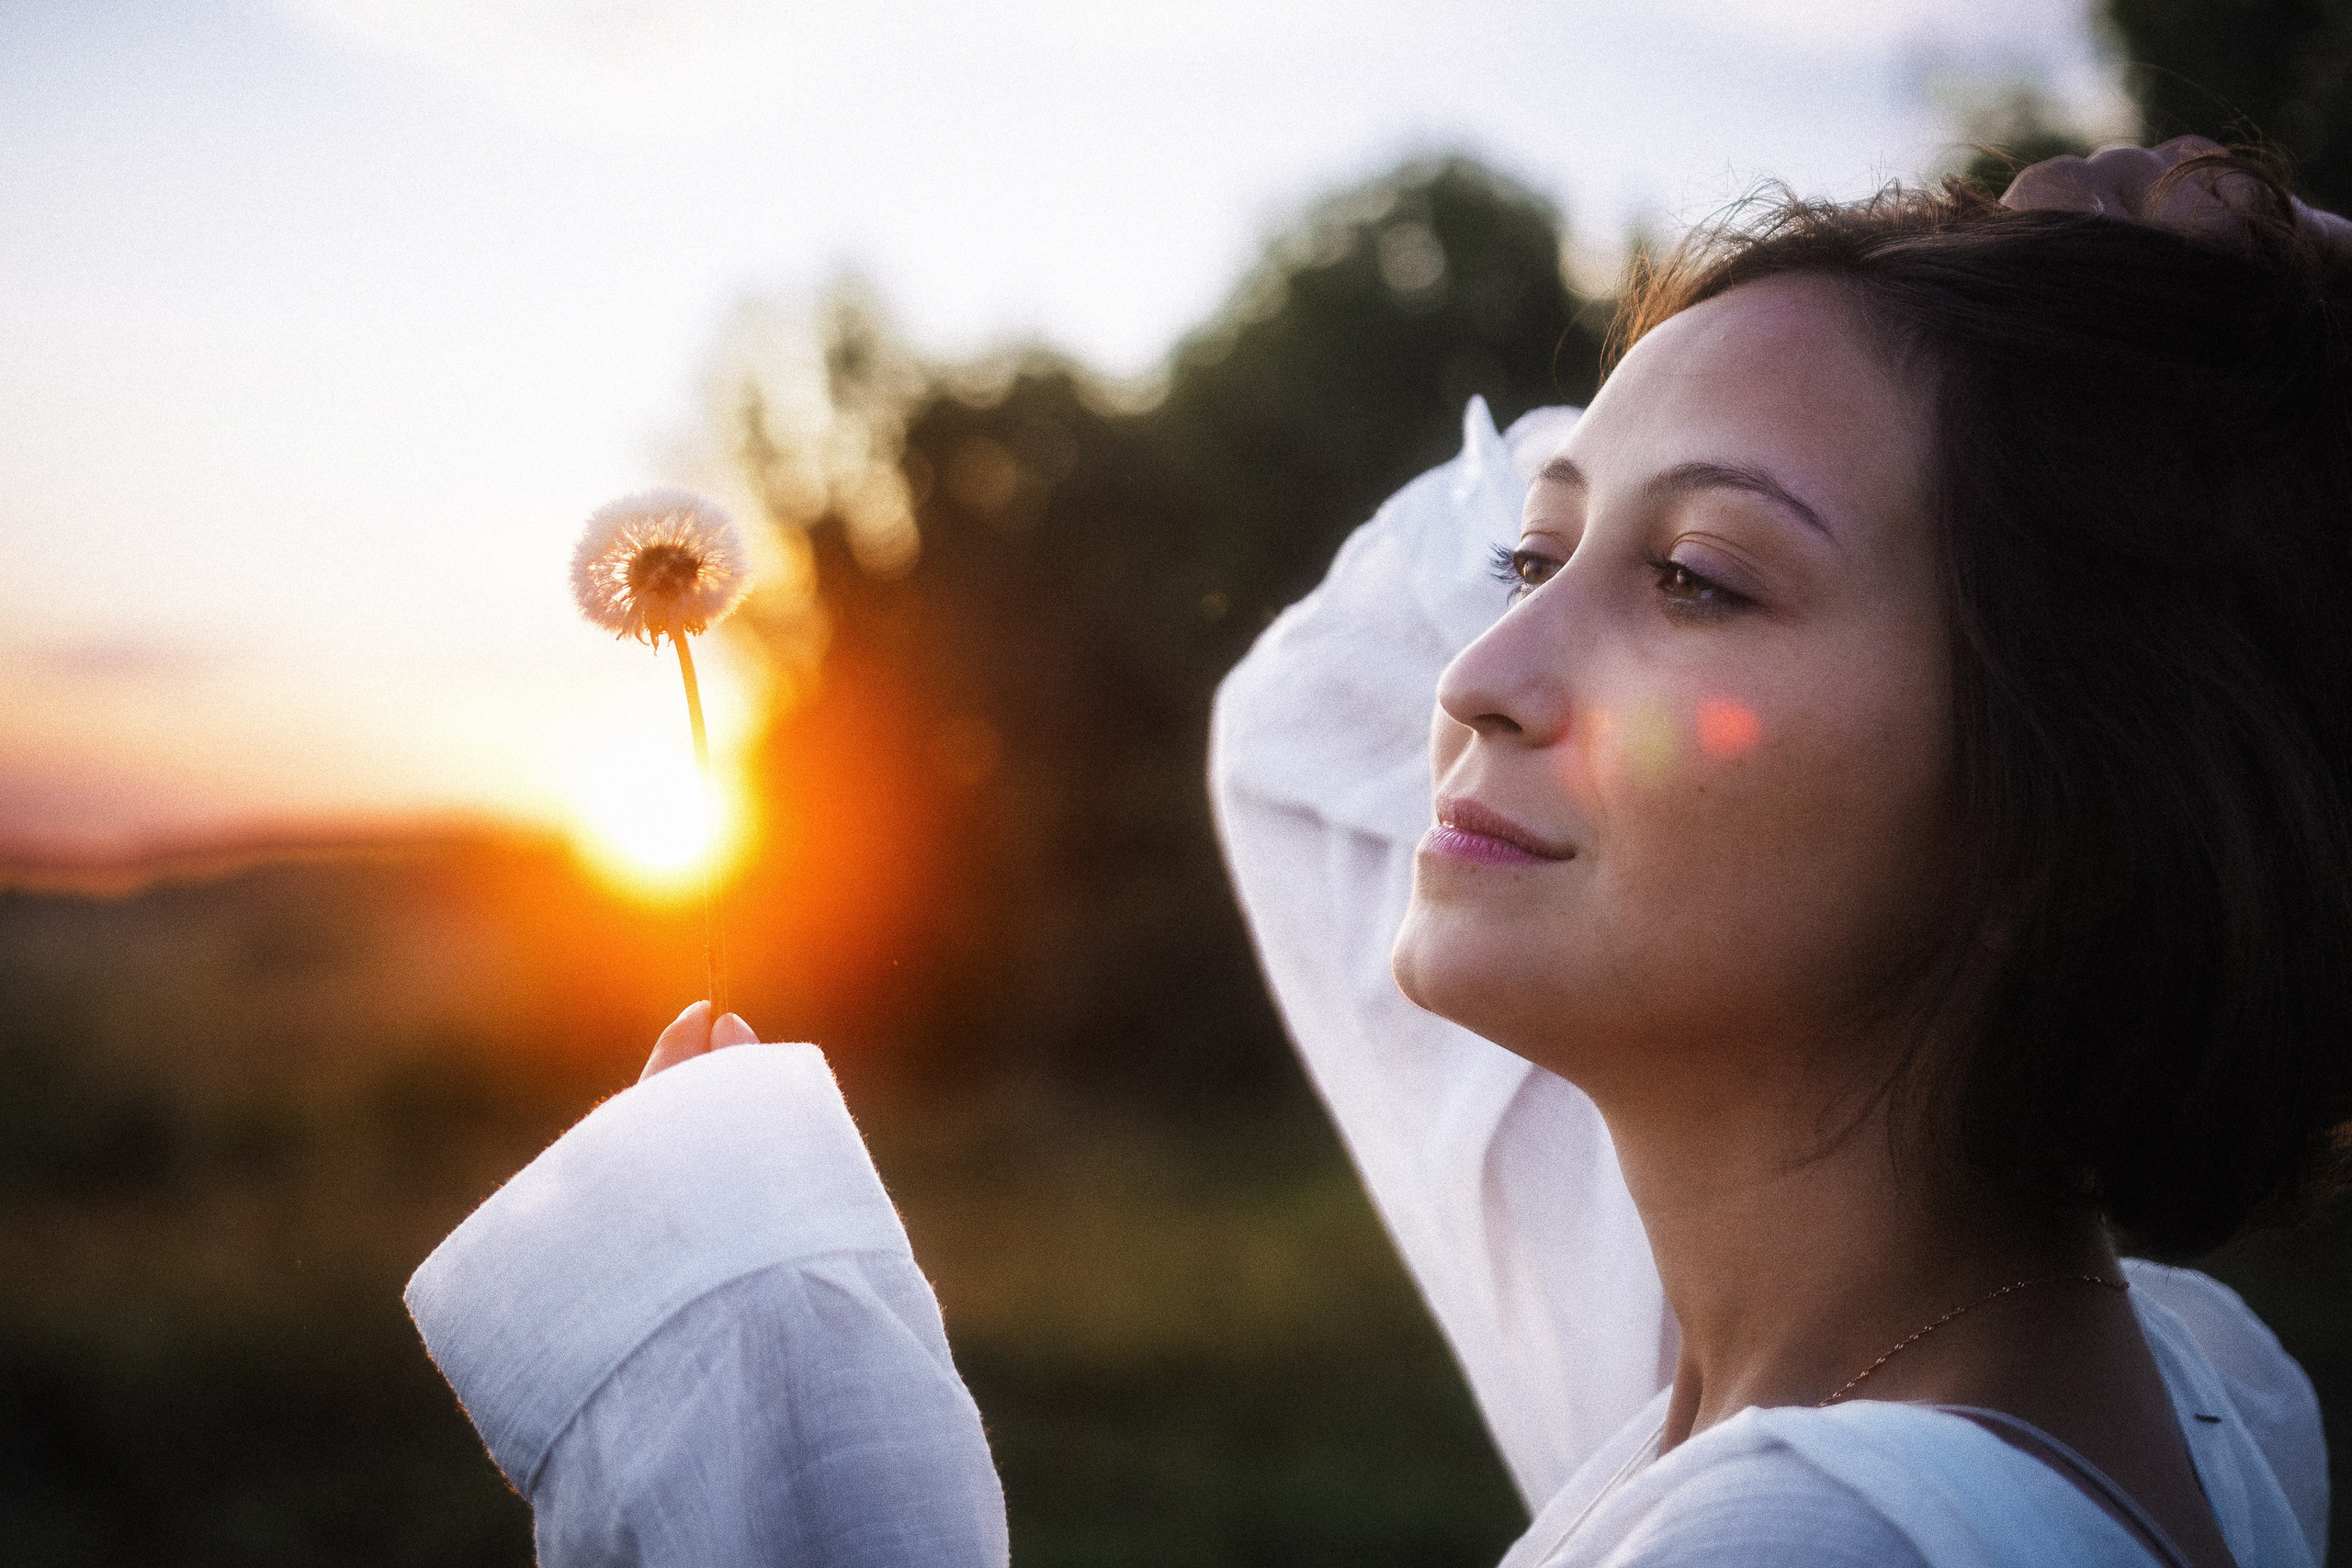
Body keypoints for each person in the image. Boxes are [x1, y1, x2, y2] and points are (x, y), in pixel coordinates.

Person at [406, 141, 2340, 1566]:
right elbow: (1311, 716)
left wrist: (748, 1379)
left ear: (2065, 800)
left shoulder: (1815, 1539)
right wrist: (2027, 358)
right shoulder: (2134, 1387)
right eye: (1534, 549)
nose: (1478, 668)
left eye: (1692, 578)